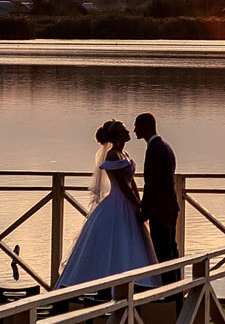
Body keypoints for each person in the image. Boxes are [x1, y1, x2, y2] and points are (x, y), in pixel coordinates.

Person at [57, 119, 157, 288]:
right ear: (118, 136)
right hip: (117, 202)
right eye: (124, 131)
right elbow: (123, 186)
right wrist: (136, 204)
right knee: (114, 241)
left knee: (132, 243)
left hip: (127, 202)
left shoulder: (124, 154)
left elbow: (131, 182)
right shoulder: (112, 155)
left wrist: (139, 202)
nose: (128, 133)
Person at [136, 112, 180, 280]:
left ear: (146, 127)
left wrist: (144, 210)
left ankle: (169, 293)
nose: (134, 130)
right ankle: (176, 292)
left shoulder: (154, 150)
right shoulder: (165, 147)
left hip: (160, 210)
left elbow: (151, 184)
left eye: (137, 126)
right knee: (171, 251)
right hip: (170, 207)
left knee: (163, 253)